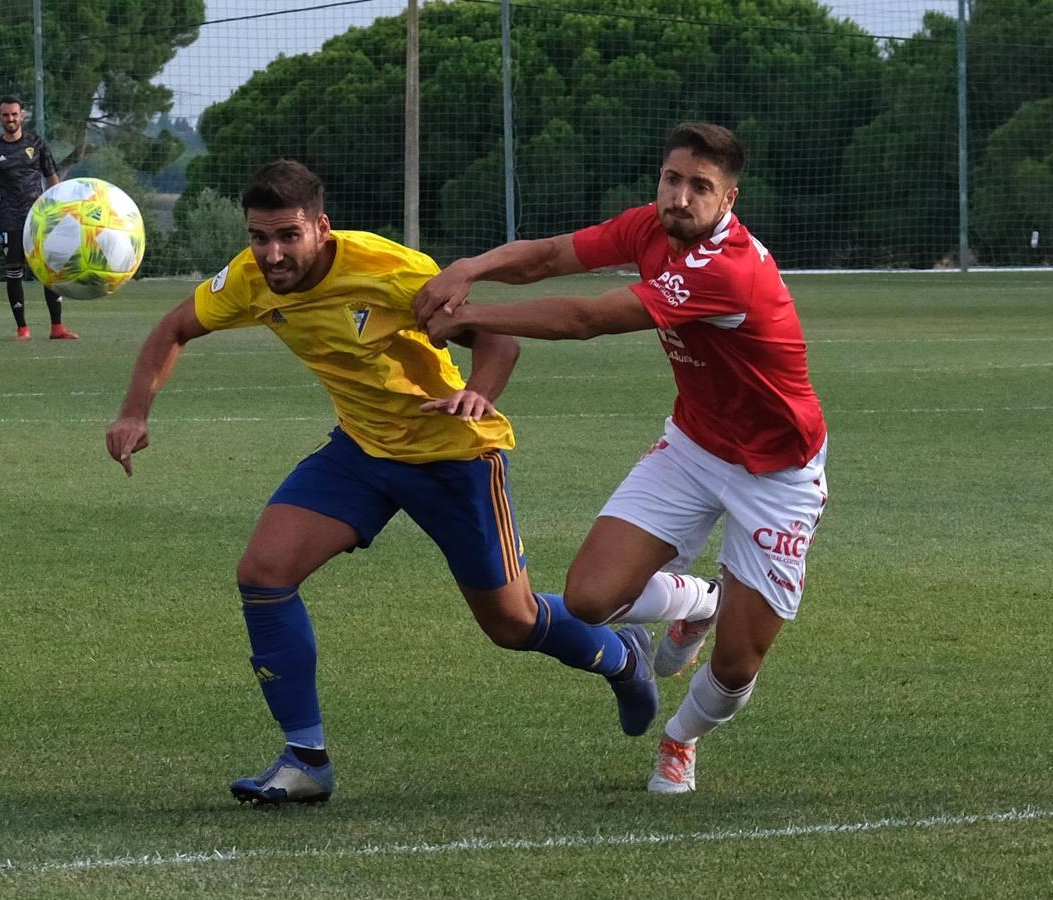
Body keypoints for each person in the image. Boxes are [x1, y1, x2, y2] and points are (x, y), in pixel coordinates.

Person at [105, 159, 663, 805]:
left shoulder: (389, 270)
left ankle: (623, 656)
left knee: (512, 623)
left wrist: (477, 395)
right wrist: (134, 412)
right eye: (260, 237)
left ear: (322, 227)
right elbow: (174, 327)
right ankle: (306, 759)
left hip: (451, 454)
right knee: (263, 572)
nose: (272, 253)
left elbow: (497, 342)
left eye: (287, 235)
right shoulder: (248, 280)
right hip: (362, 453)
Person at [417, 122, 829, 794]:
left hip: (777, 474)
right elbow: (551, 255)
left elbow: (587, 318)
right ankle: (700, 599)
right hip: (695, 444)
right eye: (673, 179)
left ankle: (681, 737)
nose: (680, 196)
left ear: (729, 200)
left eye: (701, 187)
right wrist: (471, 266)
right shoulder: (648, 227)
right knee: (588, 598)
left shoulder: (728, 271)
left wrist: (473, 316)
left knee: (735, 666)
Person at [0, 96, 78, 342]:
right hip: (11, 221)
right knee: (14, 271)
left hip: (41, 220)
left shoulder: (36, 143)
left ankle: (57, 328)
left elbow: (52, 177)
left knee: (49, 272)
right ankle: (22, 329)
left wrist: (62, 209)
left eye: (14, 114)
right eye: (5, 115)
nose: (10, 119)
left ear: (22, 116)